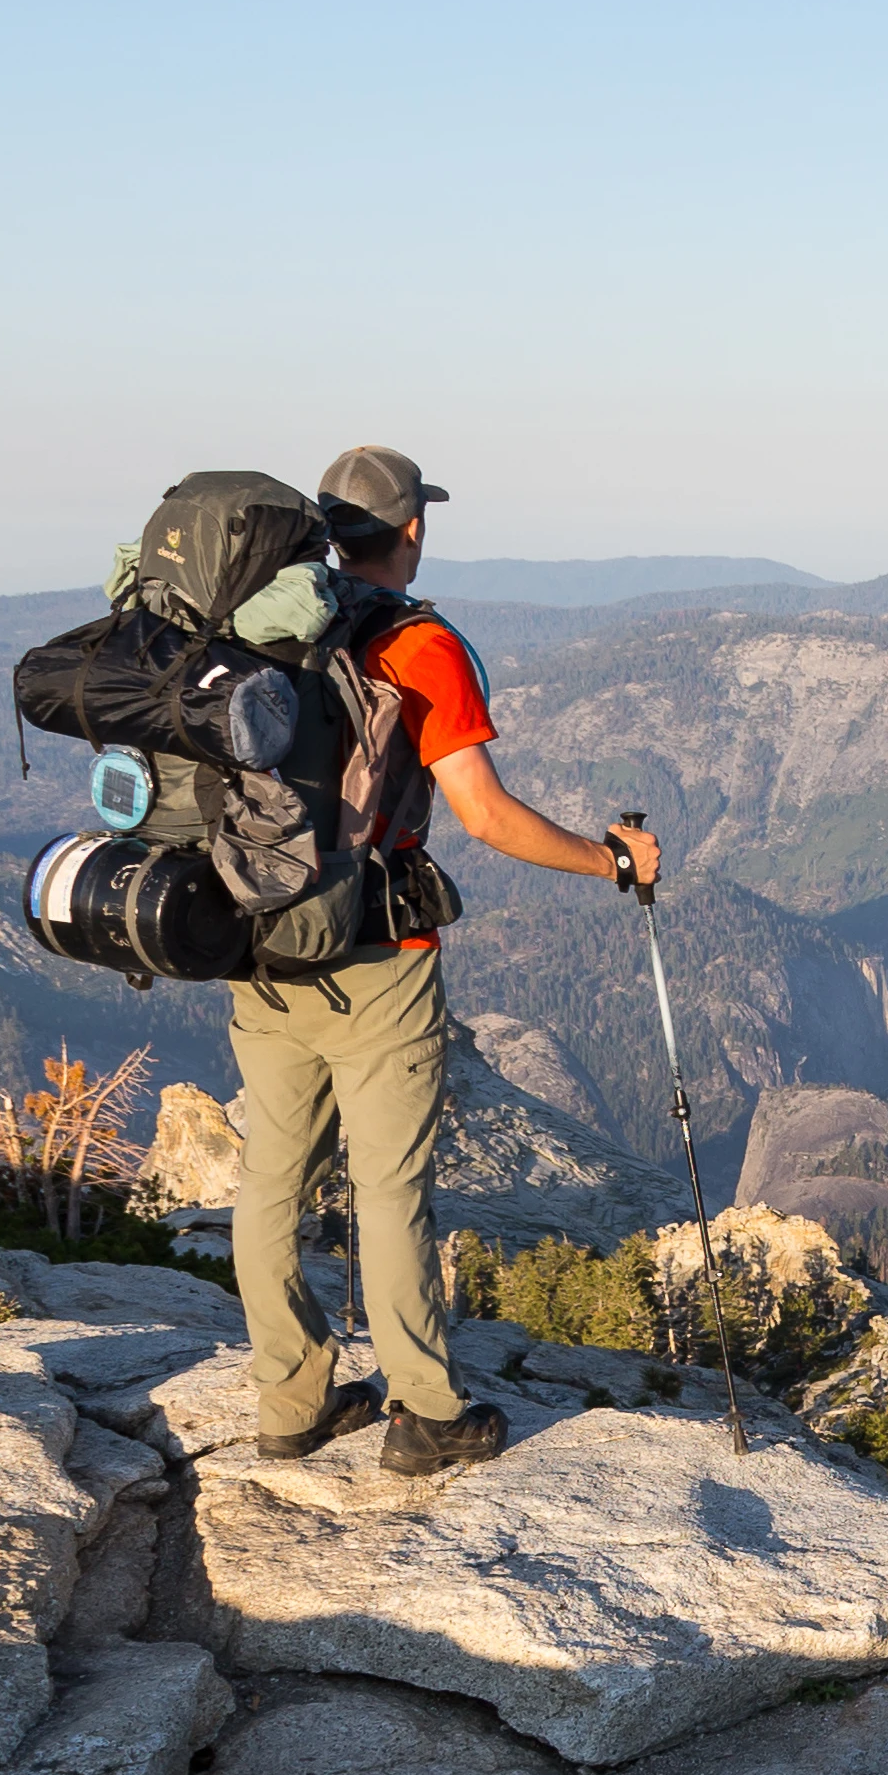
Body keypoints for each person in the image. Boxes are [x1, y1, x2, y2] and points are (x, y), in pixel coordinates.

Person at [227, 445, 661, 1473]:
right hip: (378, 950)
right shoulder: (419, 647)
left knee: (269, 1184)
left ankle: (288, 1406)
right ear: (412, 528)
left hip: (259, 935)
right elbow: (487, 815)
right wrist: (607, 861)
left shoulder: (261, 631)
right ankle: (423, 1412)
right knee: (388, 1190)